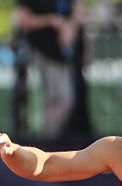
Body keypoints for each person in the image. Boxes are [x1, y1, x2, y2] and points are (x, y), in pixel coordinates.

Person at [13, 0, 84, 138]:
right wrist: (51, 20)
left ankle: (51, 140)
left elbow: (80, 13)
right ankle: (48, 141)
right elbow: (20, 20)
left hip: (63, 56)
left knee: (62, 101)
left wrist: (69, 27)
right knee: (59, 100)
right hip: (44, 53)